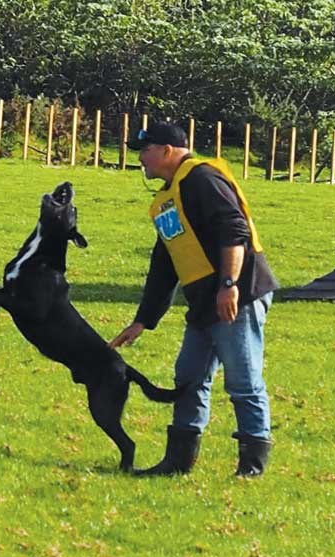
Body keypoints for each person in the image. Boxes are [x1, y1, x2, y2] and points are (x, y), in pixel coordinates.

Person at [110, 121, 279, 477]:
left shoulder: (202, 179)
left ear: (167, 151)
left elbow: (235, 231)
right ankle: (178, 462)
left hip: (238, 295)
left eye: (145, 150)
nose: (140, 159)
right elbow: (165, 264)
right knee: (188, 375)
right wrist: (143, 320)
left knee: (242, 379)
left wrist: (229, 284)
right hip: (205, 301)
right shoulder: (169, 196)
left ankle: (252, 466)